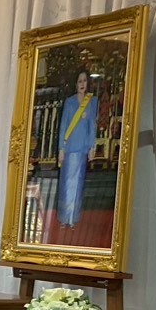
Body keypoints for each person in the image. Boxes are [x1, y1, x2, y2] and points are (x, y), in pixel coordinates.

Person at [56, 69, 99, 229]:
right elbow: (63, 126)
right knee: (66, 184)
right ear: (75, 84)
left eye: (84, 81)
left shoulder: (92, 101)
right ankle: (63, 218)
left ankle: (73, 218)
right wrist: (61, 148)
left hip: (82, 149)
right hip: (69, 149)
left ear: (88, 83)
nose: (82, 84)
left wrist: (92, 146)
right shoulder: (69, 102)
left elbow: (92, 126)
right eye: (79, 81)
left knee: (78, 185)